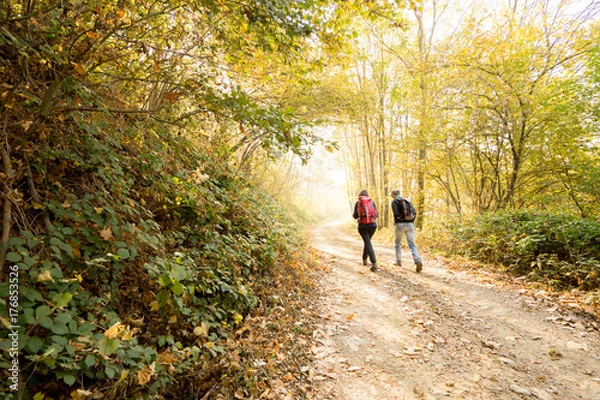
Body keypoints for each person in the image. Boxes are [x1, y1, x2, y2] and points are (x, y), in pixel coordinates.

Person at [390, 189, 423, 272]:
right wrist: (411, 222)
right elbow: (414, 213)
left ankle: (398, 261)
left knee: (397, 243)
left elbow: (396, 213)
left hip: (400, 225)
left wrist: (397, 222)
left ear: (394, 194)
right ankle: (417, 260)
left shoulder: (394, 202)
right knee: (412, 244)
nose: (391, 196)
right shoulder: (407, 201)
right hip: (410, 224)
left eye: (392, 195)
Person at [353, 189, 378, 272]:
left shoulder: (358, 203)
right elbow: (376, 214)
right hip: (373, 225)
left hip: (363, 226)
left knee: (367, 242)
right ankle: (364, 259)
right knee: (367, 242)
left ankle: (374, 262)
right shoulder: (372, 202)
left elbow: (355, 216)